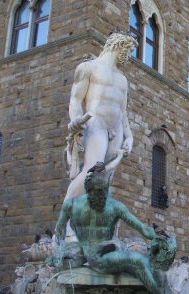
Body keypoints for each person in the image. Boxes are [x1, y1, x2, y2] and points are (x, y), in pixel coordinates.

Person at [50, 166, 189, 294]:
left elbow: (141, 227)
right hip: (96, 257)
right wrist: (60, 252)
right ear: (89, 189)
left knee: (158, 271)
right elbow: (59, 232)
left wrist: (158, 235)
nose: (101, 194)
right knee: (137, 261)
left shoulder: (114, 206)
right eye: (97, 191)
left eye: (103, 190)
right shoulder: (72, 205)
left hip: (111, 250)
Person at [64, 33, 136, 201]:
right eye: (130, 51)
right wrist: (77, 123)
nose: (130, 57)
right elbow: (75, 100)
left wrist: (129, 136)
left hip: (116, 128)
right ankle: (66, 215)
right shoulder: (89, 67)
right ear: (120, 46)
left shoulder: (123, 79)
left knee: (106, 176)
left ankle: (96, 218)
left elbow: (123, 111)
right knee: (92, 169)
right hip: (96, 123)